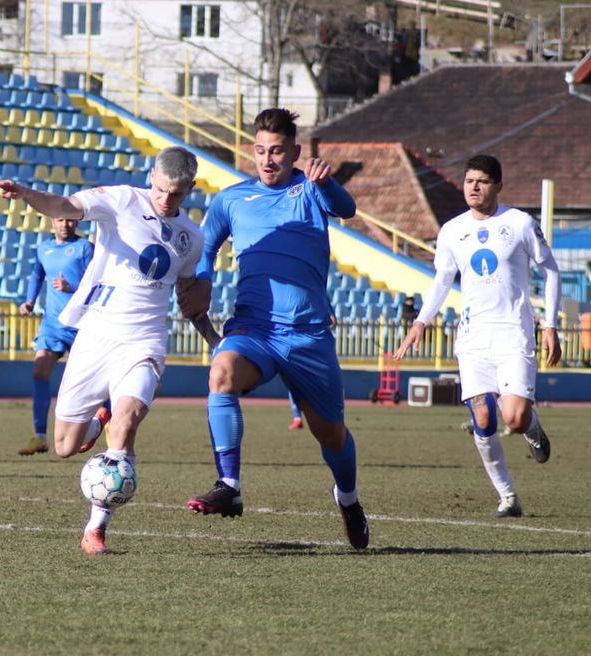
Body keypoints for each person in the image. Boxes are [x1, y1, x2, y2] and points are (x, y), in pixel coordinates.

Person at [0, 146, 206, 556]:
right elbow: (64, 205)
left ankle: (95, 529)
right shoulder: (121, 200)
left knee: (125, 424)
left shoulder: (192, 239)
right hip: (97, 335)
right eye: (160, 189)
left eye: (176, 194)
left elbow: (188, 294)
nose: (165, 200)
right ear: (151, 176)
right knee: (65, 445)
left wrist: (212, 335)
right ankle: (96, 418)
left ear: (190, 188)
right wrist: (25, 192)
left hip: (144, 341)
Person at [181, 108, 369, 550]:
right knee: (221, 371)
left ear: (295, 152)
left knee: (332, 436)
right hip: (254, 328)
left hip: (307, 335)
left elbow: (347, 209)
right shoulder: (231, 199)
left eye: (278, 151)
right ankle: (229, 485)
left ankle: (349, 498)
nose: (268, 160)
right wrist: (203, 283)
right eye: (261, 151)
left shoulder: (311, 189)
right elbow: (205, 248)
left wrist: (326, 182)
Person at [393, 154, 561, 518]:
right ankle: (507, 497)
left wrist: (550, 326)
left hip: (514, 334)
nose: (473, 187)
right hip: (472, 339)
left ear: (497, 185)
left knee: (513, 418)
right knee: (483, 417)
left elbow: (551, 271)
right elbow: (441, 279)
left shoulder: (519, 224)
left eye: (481, 181)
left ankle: (532, 428)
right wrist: (422, 320)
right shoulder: (452, 230)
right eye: (469, 180)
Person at [17, 216, 95, 456]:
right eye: (61, 220)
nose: (66, 224)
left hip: (82, 324)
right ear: (53, 221)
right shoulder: (44, 248)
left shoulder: (85, 248)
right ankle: (39, 436)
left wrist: (71, 287)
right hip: (52, 324)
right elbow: (36, 274)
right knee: (39, 372)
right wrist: (29, 300)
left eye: (71, 220)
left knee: (89, 383)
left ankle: (94, 431)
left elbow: (97, 282)